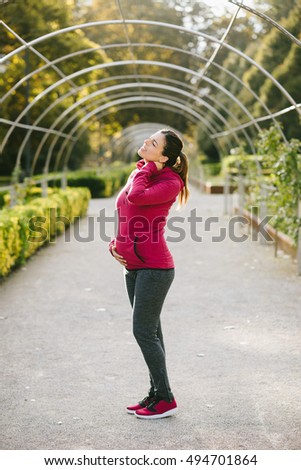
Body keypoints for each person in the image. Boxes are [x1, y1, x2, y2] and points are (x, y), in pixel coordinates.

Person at [109, 128, 189, 419]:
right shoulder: (141, 171)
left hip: (155, 267)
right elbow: (125, 212)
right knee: (152, 331)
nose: (145, 142)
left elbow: (138, 198)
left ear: (165, 156)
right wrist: (115, 245)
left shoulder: (171, 181)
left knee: (142, 330)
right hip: (133, 265)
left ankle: (165, 398)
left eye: (152, 143)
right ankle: (157, 394)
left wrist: (145, 170)